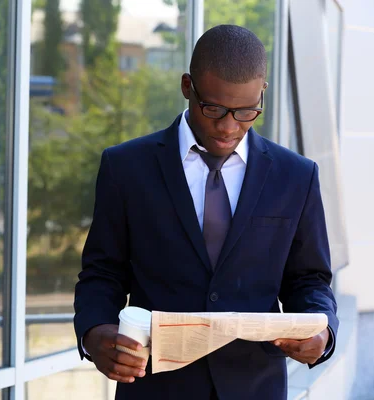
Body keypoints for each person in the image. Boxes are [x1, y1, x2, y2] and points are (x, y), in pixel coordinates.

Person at [73, 24, 338, 400]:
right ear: (187, 87)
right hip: (155, 389)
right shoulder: (126, 167)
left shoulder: (296, 176)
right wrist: (94, 330)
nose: (229, 126)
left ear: (262, 93)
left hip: (256, 387)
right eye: (213, 108)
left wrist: (323, 333)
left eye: (247, 111)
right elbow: (102, 272)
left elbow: (309, 279)